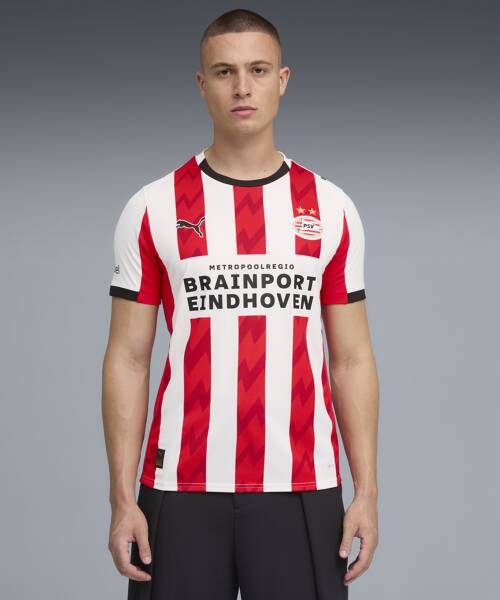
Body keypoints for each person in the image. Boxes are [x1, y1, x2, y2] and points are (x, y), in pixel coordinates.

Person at [102, 8, 379, 600]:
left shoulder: (330, 207)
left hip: (302, 484)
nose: (243, 87)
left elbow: (352, 358)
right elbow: (128, 358)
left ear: (283, 79)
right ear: (202, 84)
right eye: (225, 72)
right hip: (180, 485)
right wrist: (123, 499)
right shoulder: (152, 207)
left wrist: (367, 492)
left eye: (258, 70)